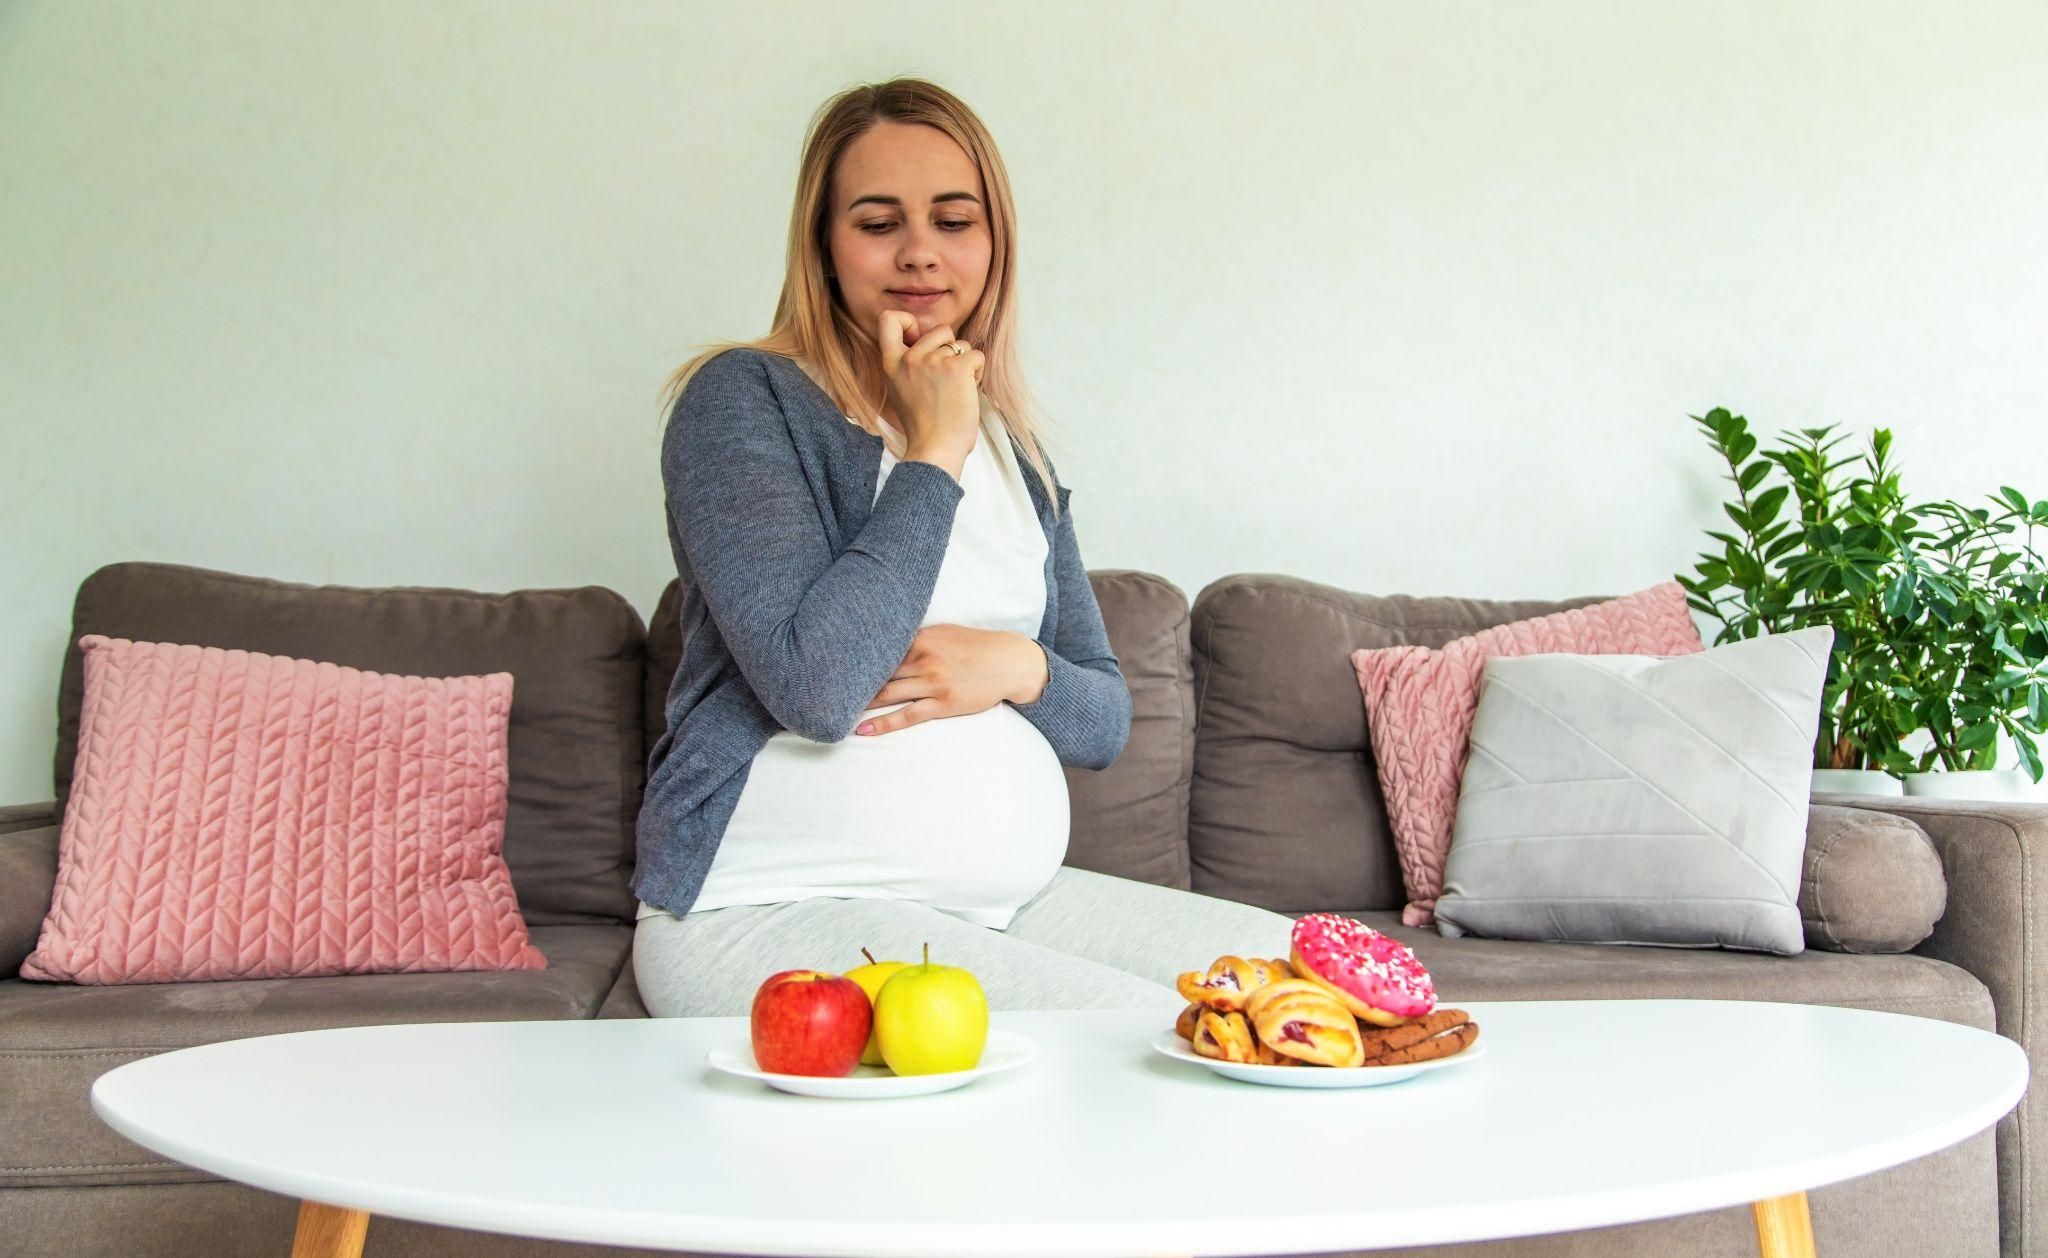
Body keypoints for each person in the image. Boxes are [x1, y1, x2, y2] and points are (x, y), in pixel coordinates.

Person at [633, 77, 1296, 1018]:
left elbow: (1103, 719)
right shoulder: (745, 402)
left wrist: (1017, 666)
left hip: (995, 908)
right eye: (876, 222)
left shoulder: (1017, 451)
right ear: (823, 246)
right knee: (1150, 1039)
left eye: (954, 219)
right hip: (766, 907)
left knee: (1307, 978)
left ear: (995, 242)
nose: (920, 254)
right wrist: (933, 449)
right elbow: (816, 687)